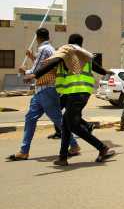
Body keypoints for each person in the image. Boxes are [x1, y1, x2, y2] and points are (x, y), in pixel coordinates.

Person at [28, 34, 115, 166]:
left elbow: (54, 62)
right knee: (65, 123)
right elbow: (98, 68)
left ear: (69, 43)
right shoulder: (84, 55)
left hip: (76, 93)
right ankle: (63, 158)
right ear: (81, 43)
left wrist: (35, 74)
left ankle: (102, 148)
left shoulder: (67, 51)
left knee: (72, 124)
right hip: (79, 93)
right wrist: (107, 71)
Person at [7, 28, 80, 161]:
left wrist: (24, 71)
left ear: (37, 38)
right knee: (30, 118)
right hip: (41, 90)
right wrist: (31, 57)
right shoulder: (50, 49)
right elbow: (43, 65)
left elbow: (36, 70)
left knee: (58, 120)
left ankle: (74, 145)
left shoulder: (43, 49)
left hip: (47, 90)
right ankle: (24, 150)